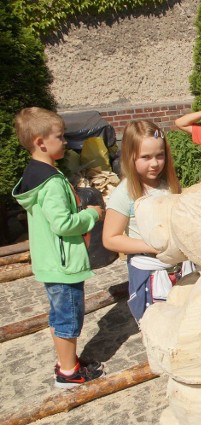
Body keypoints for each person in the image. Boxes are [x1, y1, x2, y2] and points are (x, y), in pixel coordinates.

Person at [12, 107, 106, 388]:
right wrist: (91, 214)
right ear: (41, 142)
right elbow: (63, 224)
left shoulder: (37, 173)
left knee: (59, 314)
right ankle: (68, 373)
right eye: (60, 137)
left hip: (50, 261)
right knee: (69, 317)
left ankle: (69, 360)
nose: (65, 142)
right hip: (63, 264)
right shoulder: (51, 182)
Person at [103, 120, 182, 324]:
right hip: (149, 274)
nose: (154, 163)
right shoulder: (124, 193)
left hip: (177, 270)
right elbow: (110, 239)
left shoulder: (168, 184)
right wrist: (150, 245)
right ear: (130, 156)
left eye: (160, 155)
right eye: (146, 157)